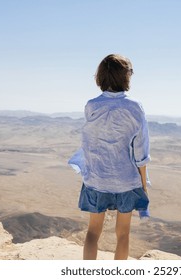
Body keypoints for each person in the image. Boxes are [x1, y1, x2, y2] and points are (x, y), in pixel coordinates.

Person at [68, 54, 150, 260]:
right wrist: (143, 184)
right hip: (126, 181)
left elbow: (91, 141)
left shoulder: (92, 105)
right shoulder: (135, 107)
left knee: (93, 232)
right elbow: (140, 150)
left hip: (97, 178)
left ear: (101, 77)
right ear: (126, 76)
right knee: (123, 234)